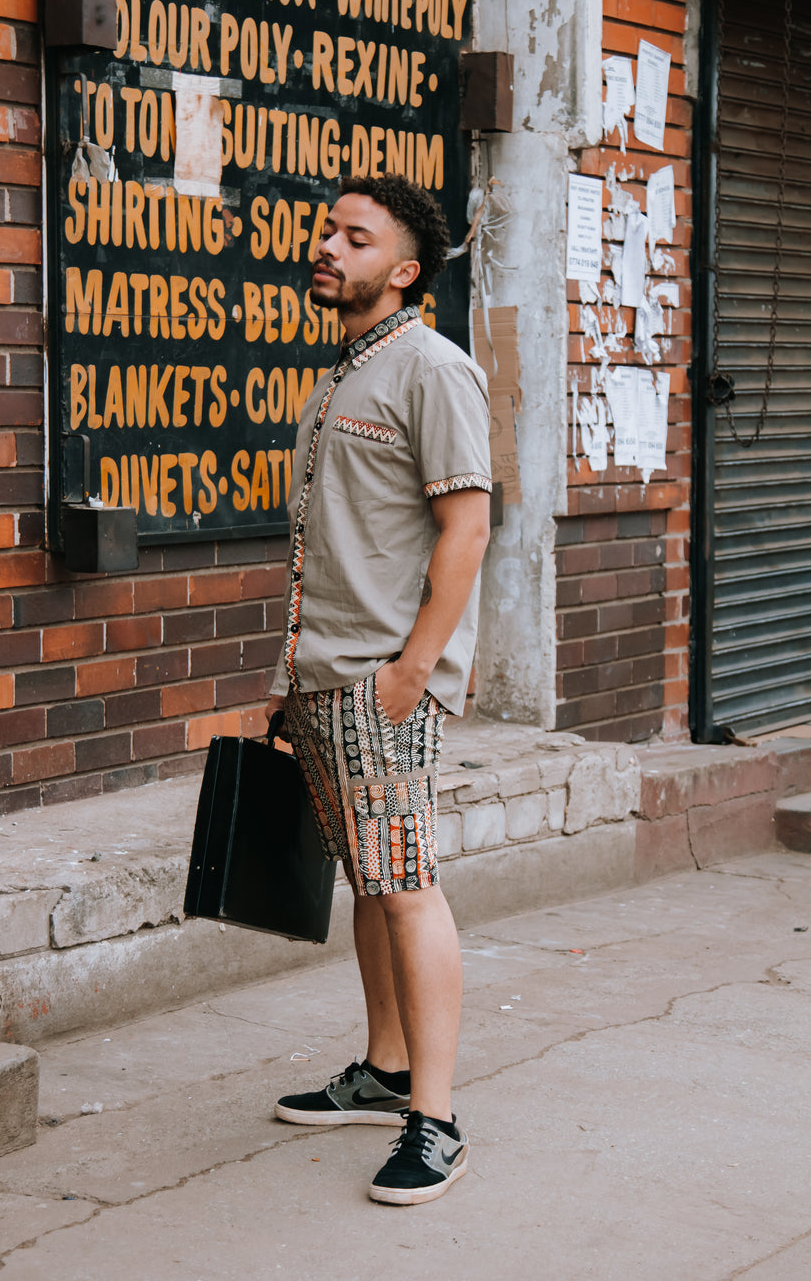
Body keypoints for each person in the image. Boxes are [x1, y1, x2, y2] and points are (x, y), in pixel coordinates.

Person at [265, 172, 492, 1206]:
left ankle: (434, 1119)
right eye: (326, 230)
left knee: (405, 883)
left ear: (402, 270)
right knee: (371, 880)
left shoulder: (434, 370)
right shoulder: (343, 372)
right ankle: (385, 1069)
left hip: (382, 681)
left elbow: (468, 527)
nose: (327, 246)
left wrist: (412, 670)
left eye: (353, 238)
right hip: (326, 672)